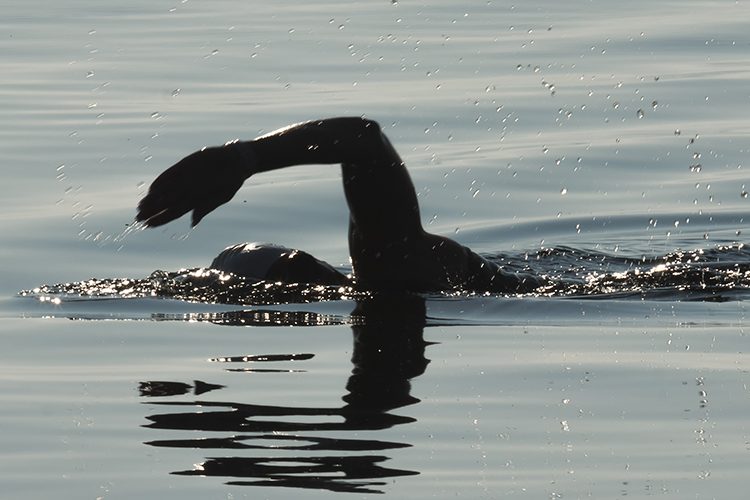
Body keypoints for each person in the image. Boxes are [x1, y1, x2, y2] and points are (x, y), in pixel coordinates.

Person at [136, 117, 541, 293]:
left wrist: (244, 158)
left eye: (293, 259)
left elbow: (364, 138)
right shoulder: (385, 272)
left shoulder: (385, 260)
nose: (301, 266)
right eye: (287, 268)